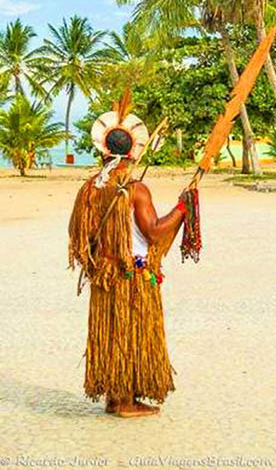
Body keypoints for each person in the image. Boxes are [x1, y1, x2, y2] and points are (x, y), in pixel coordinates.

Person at [68, 94, 186, 418]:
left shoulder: (90, 187)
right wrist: (182, 208)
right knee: (132, 333)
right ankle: (127, 403)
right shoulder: (136, 189)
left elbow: (77, 233)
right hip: (132, 275)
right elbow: (154, 232)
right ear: (133, 151)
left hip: (103, 274)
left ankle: (114, 397)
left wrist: (96, 260)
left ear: (103, 150)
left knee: (111, 334)